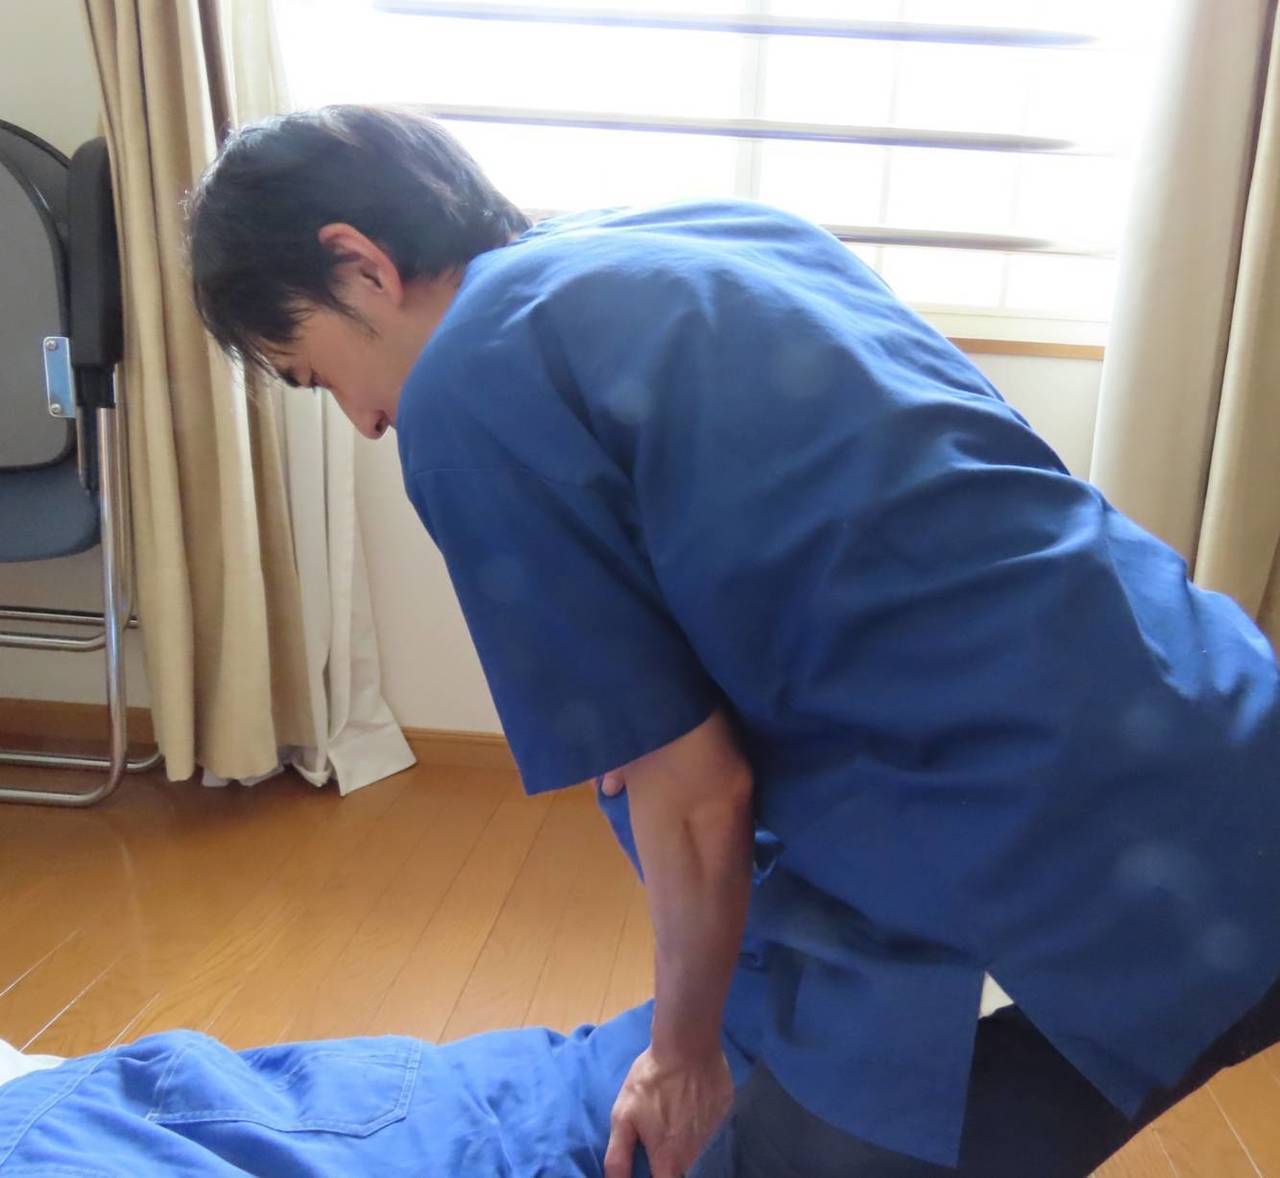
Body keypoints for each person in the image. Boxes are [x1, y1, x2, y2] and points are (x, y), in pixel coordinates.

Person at [186, 104, 1280, 1177]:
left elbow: (695, 792)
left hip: (1098, 860)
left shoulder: (468, 387)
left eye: (314, 372)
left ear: (361, 266)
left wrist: (679, 1054)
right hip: (1227, 715)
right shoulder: (715, 230)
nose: (363, 419)